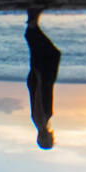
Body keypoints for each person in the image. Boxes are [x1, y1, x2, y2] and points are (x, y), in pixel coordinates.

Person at [24, 9, 60, 149]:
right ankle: (33, 19)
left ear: (46, 138)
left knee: (47, 53)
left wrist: (39, 80)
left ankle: (32, 26)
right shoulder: (43, 123)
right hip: (43, 82)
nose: (53, 137)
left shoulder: (40, 122)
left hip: (41, 82)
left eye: (51, 140)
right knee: (46, 53)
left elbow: (38, 100)